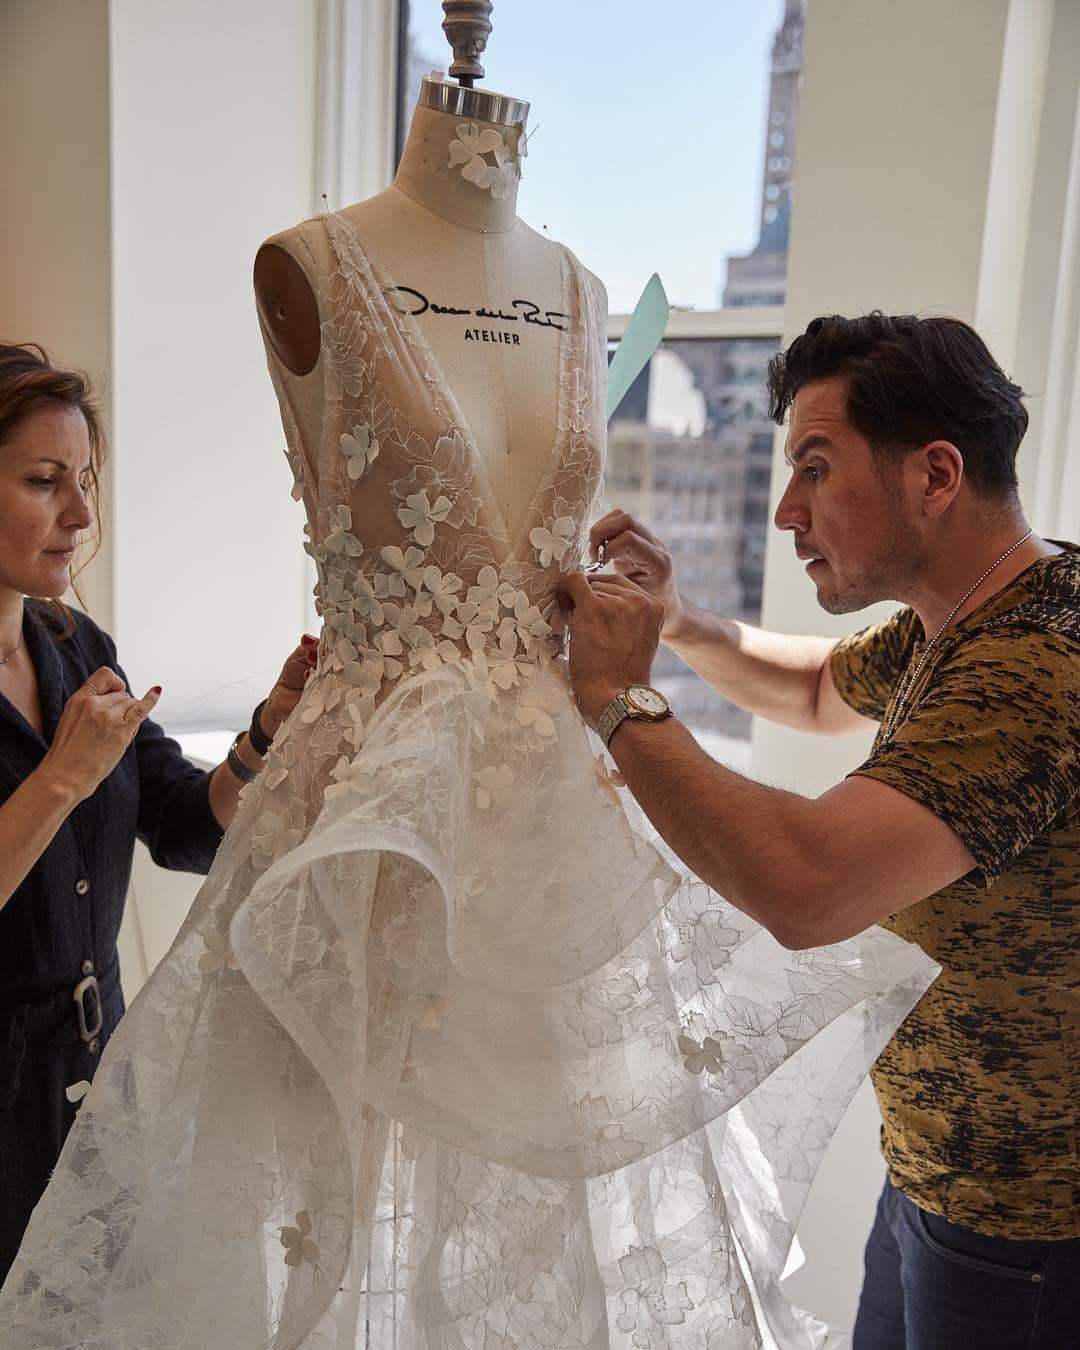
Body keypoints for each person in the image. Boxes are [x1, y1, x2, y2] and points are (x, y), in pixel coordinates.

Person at [560, 312, 1080, 1348]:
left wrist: (618, 693)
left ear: (935, 475)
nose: (787, 511)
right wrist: (680, 621)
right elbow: (812, 691)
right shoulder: (977, 608)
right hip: (939, 1182)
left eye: (815, 466)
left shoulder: (1032, 668)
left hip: (1024, 1234)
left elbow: (811, 886)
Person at [0, 341, 317, 1281]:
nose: (82, 514)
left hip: (103, 1090)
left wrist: (267, 730)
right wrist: (58, 780)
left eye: (85, 479)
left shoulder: (74, 644)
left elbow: (183, 821)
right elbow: (67, 790)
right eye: (44, 481)